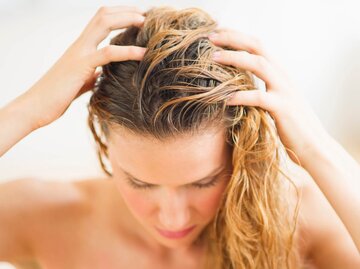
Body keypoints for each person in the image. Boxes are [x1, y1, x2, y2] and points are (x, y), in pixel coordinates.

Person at [0, 5, 359, 269]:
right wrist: (26, 112)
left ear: (239, 150)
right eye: (140, 183)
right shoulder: (50, 216)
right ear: (104, 140)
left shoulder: (299, 218)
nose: (172, 219)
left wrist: (316, 148)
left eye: (203, 182)